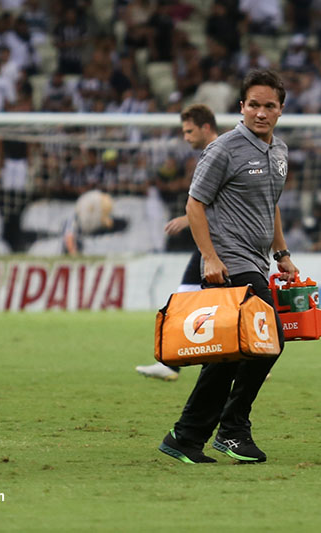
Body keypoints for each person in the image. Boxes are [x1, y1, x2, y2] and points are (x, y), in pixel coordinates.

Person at [158, 69, 298, 464]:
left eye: (269, 105)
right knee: (267, 339)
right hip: (230, 262)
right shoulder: (223, 149)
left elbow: (270, 206)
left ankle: (187, 435)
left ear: (280, 110)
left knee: (232, 353)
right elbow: (194, 204)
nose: (260, 112)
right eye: (253, 104)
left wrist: (282, 254)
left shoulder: (280, 152)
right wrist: (210, 257)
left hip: (256, 260)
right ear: (241, 107)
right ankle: (232, 430)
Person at [136, 104, 219, 382]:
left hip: (220, 242)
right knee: (195, 301)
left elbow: (223, 198)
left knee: (190, 300)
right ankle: (172, 364)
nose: (185, 137)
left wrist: (187, 219)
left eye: (189, 131)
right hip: (214, 241)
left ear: (205, 127)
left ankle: (172, 364)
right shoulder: (215, 152)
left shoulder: (219, 153)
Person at [62, 190, 113, 256]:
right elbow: (69, 239)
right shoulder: (73, 221)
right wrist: (74, 255)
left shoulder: (81, 225)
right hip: (67, 260)